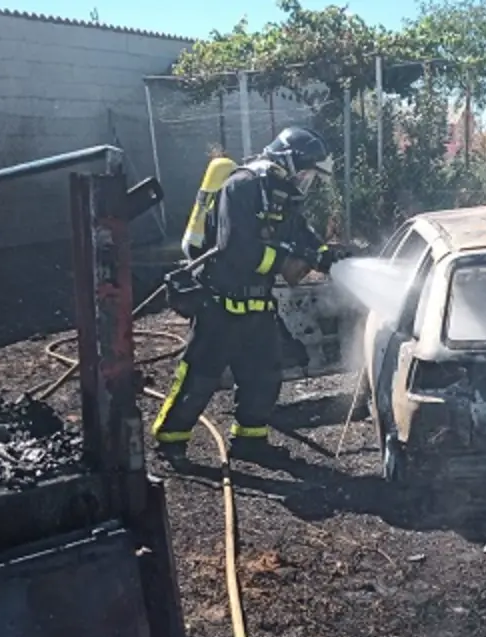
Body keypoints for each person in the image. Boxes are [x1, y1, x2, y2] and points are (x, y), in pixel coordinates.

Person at [150, 126, 351, 471]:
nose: (306, 180)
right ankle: (170, 440)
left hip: (258, 307)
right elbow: (236, 249)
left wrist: (323, 256)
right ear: (286, 161)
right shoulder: (241, 186)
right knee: (200, 375)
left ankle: (249, 441)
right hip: (219, 304)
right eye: (305, 171)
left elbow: (302, 234)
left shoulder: (285, 196)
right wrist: (287, 259)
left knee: (264, 376)